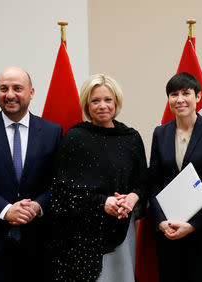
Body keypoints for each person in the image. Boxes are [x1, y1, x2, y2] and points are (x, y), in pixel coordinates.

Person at [48, 74, 148, 281]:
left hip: (123, 229)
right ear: (87, 103)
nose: (102, 106)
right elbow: (61, 193)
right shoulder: (75, 138)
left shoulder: (131, 138)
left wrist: (133, 198)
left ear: (116, 102)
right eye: (95, 100)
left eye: (107, 100)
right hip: (83, 237)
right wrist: (102, 203)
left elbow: (143, 183)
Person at [0, 67, 62, 282]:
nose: (10, 94)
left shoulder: (53, 132)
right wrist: (5, 210)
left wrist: (37, 206)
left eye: (17, 88)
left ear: (31, 93)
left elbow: (59, 182)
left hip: (37, 249)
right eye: (3, 89)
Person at [149, 72, 202, 282]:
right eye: (174, 94)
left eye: (186, 93)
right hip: (169, 229)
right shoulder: (160, 133)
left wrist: (193, 224)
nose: (180, 99)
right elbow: (154, 182)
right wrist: (160, 222)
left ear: (198, 97)